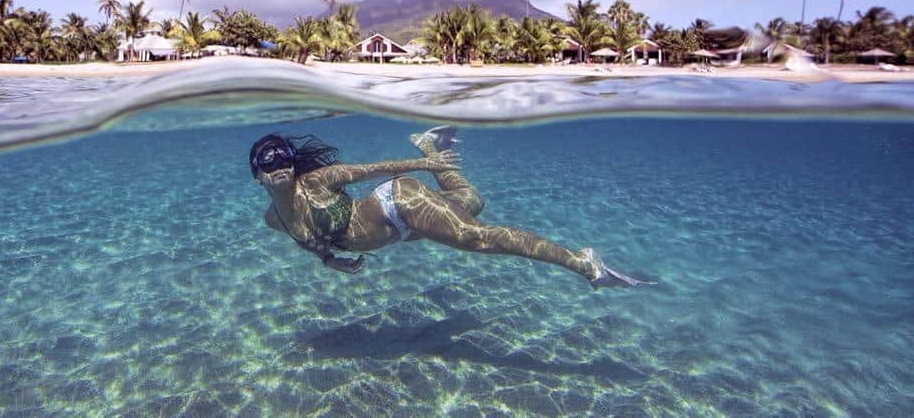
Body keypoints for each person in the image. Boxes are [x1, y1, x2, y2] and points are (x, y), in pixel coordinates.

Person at [250, 126, 653, 289]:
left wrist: (422, 168)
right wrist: (329, 261)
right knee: (473, 203)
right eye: (269, 163)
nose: (280, 166)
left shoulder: (316, 181)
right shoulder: (275, 219)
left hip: (398, 203)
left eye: (283, 158)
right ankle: (431, 142)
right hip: (402, 234)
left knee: (474, 237)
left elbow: (371, 169)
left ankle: (584, 263)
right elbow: (309, 238)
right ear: (258, 177)